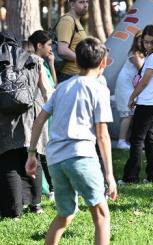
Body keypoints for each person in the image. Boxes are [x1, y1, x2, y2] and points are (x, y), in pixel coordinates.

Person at [25, 37, 117, 245]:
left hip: (56, 159)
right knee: (102, 217)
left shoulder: (63, 87)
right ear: (103, 62)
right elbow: (102, 135)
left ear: (76, 62)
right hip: (81, 156)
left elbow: (39, 120)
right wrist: (110, 176)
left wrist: (32, 153)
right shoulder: (99, 89)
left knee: (65, 215)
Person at [0, 33, 46, 218]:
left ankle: (13, 211)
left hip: (5, 120)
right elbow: (45, 89)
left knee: (9, 161)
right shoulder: (33, 59)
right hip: (32, 115)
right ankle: (36, 204)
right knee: (32, 157)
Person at [121, 25, 153, 184]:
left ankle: (130, 177)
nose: (147, 45)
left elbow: (145, 81)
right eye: (145, 42)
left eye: (151, 42)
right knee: (149, 139)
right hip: (151, 102)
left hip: (148, 103)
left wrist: (132, 97)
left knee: (137, 140)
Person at [28, 31, 57, 200]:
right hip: (42, 110)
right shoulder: (37, 62)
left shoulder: (37, 61)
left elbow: (52, 84)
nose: (51, 48)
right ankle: (51, 187)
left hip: (40, 109)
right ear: (39, 45)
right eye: (48, 45)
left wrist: (52, 64)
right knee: (43, 149)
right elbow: (47, 91)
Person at [114, 32, 145, 150]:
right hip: (125, 86)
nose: (141, 42)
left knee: (132, 114)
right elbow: (142, 69)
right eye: (139, 40)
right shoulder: (134, 54)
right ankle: (121, 141)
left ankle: (128, 140)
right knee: (127, 114)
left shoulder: (144, 55)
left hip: (132, 86)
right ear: (136, 42)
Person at [56, 0, 89, 82]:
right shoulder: (67, 21)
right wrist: (84, 61)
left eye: (87, 2)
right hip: (69, 76)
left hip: (76, 74)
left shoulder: (76, 21)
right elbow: (62, 50)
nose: (86, 5)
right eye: (81, 2)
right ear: (72, 4)